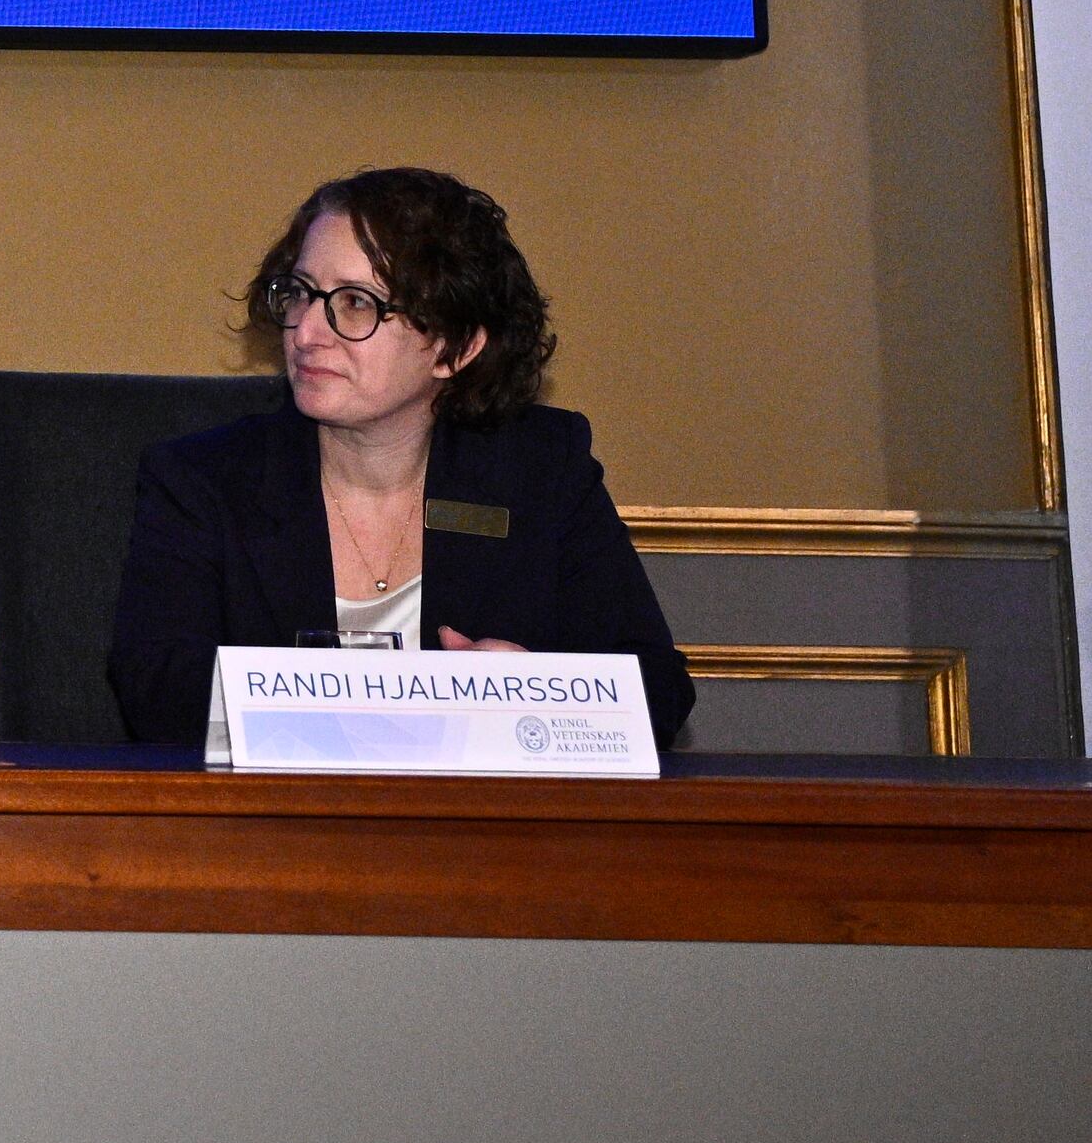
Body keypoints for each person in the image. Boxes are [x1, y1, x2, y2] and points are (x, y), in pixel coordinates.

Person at [105, 166, 691, 749]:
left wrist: (529, 690)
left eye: (356, 303)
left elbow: (659, 693)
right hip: (273, 830)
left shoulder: (541, 470)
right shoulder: (203, 480)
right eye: (299, 292)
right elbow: (157, 696)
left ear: (456, 348)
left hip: (477, 834)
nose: (307, 331)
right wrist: (402, 710)